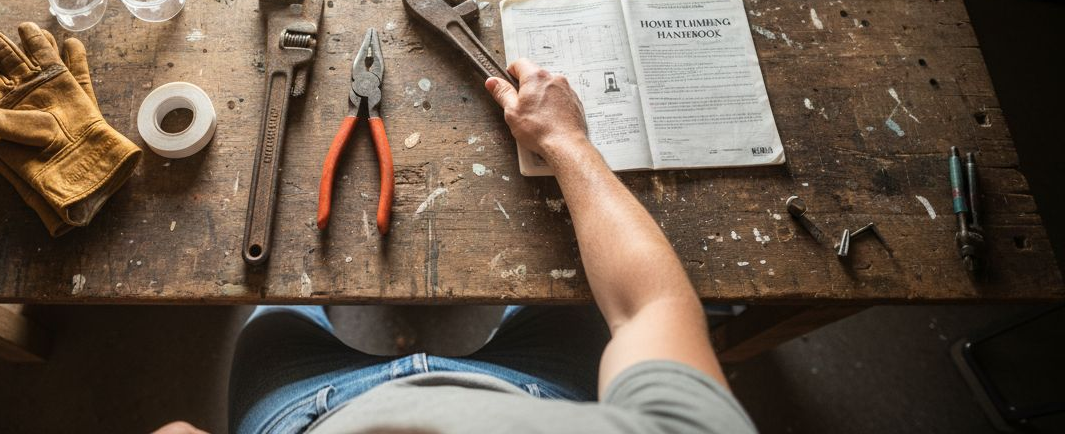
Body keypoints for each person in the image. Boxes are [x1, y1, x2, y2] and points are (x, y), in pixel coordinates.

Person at [155, 59, 757, 434]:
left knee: (276, 319)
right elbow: (649, 307)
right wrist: (566, 141)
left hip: (311, 412)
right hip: (542, 391)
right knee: (567, 291)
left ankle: (336, 292)